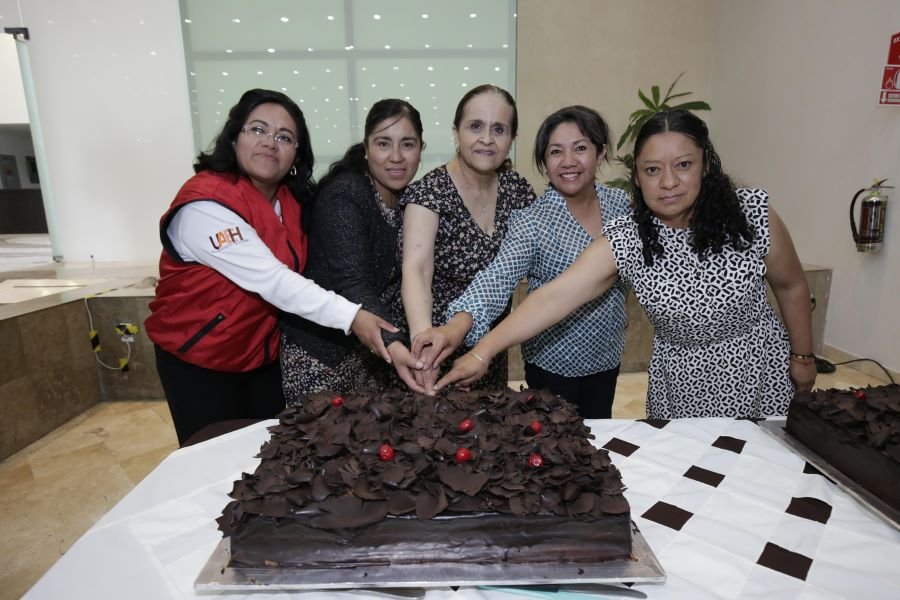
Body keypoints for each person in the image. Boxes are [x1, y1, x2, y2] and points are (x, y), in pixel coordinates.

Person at [435, 109, 817, 419]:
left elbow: (791, 285)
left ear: (706, 166)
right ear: (638, 175)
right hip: (679, 386)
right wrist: (480, 352)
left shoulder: (751, 212)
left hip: (757, 372)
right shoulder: (629, 235)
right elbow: (554, 297)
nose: (668, 181)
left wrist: (802, 356)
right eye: (652, 170)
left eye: (683, 165)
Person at [145, 89, 397, 445]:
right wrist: (354, 316)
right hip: (199, 361)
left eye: (284, 137)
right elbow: (274, 280)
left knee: (266, 460)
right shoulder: (205, 204)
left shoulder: (292, 202)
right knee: (211, 462)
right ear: (234, 138)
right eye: (258, 130)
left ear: (296, 153)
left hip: (261, 357)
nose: (270, 143)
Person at [412, 106, 630, 418]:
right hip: (553, 365)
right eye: (555, 152)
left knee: (597, 437)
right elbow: (497, 278)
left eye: (580, 148)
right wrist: (456, 326)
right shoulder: (533, 220)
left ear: (601, 152)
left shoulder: (620, 206)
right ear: (544, 161)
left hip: (606, 359)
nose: (568, 162)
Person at [279, 99, 426, 401]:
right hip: (320, 356)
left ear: (420, 149)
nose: (396, 157)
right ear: (366, 148)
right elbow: (353, 282)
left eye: (407, 144)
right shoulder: (345, 194)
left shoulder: (409, 199)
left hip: (367, 353)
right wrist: (395, 342)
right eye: (384, 143)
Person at [401, 84, 536, 392]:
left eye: (499, 129)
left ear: (512, 139)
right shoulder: (430, 191)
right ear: (456, 132)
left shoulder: (517, 190)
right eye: (475, 126)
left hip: (489, 344)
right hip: (436, 344)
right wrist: (424, 348)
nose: (486, 139)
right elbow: (417, 269)